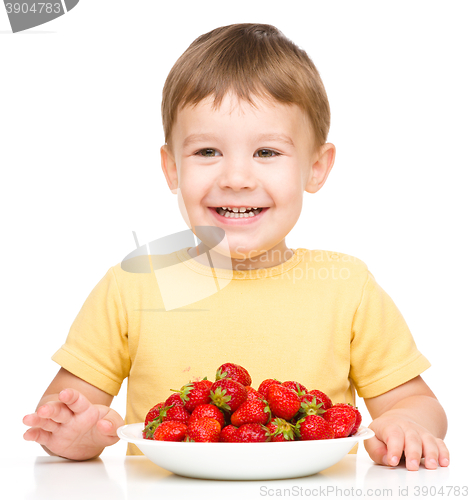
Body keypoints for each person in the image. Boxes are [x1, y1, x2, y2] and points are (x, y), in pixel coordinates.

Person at [23, 23, 449, 471]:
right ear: (171, 169)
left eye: (267, 152)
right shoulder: (133, 285)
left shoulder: (347, 286)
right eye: (207, 152)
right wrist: (75, 433)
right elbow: (63, 409)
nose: (236, 178)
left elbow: (416, 401)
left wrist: (406, 423)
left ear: (316, 168)